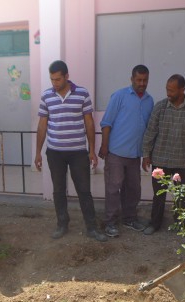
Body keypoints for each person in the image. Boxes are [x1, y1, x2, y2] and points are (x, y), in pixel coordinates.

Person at [34, 60, 107, 242]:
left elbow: (89, 122)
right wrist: (37, 152)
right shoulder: (46, 96)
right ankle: (62, 224)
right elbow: (42, 125)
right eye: (52, 79)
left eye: (58, 79)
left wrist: (91, 150)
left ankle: (91, 227)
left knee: (84, 190)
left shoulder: (82, 93)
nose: (55, 83)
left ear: (67, 76)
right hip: (54, 152)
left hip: (78, 153)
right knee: (58, 190)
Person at [142, 74, 185, 235]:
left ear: (182, 90)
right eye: (167, 90)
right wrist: (146, 154)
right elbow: (150, 132)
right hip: (160, 159)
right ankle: (155, 223)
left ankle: (181, 224)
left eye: (172, 90)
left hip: (181, 161)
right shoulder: (160, 107)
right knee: (159, 195)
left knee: (181, 195)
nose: (168, 93)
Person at [99, 65, 154, 237]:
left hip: (134, 155)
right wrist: (104, 145)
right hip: (116, 152)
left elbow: (148, 130)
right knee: (113, 189)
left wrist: (146, 154)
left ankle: (129, 218)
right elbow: (106, 123)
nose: (142, 83)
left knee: (133, 189)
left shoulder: (149, 101)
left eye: (145, 80)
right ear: (132, 79)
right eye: (139, 80)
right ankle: (110, 222)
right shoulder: (119, 96)